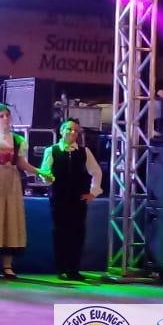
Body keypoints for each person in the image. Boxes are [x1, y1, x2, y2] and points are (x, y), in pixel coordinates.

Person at [0, 103, 51, 279]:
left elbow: (22, 163)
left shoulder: (18, 140)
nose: (6, 118)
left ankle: (7, 265)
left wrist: (40, 171)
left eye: (7, 115)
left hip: (12, 181)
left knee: (10, 219)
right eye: (1, 116)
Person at [40, 118, 103, 281]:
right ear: (61, 131)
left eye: (76, 130)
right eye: (69, 129)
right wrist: (47, 178)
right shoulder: (52, 150)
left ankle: (74, 269)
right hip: (59, 198)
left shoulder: (84, 152)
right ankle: (61, 268)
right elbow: (45, 171)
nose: (73, 132)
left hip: (78, 199)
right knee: (60, 232)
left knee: (77, 233)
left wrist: (93, 192)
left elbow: (96, 172)